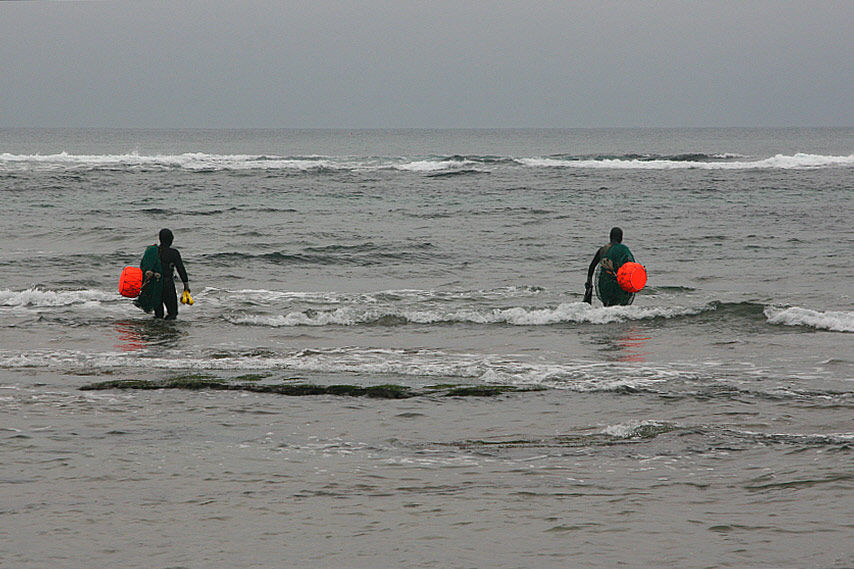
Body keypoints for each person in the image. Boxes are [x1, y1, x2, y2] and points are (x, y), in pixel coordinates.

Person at [584, 227, 635, 306]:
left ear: (610, 237)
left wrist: (589, 282)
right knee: (621, 307)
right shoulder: (623, 250)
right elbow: (631, 267)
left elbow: (592, 266)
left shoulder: (603, 250)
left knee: (607, 306)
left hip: (604, 283)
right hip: (619, 284)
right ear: (621, 238)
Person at [153, 228, 190, 320]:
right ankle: (169, 331)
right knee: (172, 313)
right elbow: (181, 269)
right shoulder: (173, 253)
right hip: (167, 284)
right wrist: (186, 285)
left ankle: (156, 331)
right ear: (171, 239)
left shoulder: (153, 251)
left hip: (154, 285)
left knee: (158, 314)